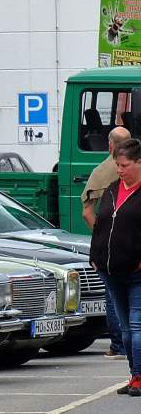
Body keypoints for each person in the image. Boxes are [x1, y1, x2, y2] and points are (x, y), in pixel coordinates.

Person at [90, 137, 141, 395]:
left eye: (124, 165)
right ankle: (134, 376)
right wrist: (95, 255)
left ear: (139, 163)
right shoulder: (112, 188)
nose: (120, 170)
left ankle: (140, 377)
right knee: (124, 328)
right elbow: (100, 224)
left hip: (136, 271)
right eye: (117, 165)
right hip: (111, 270)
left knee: (136, 325)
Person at [84, 127, 132, 360]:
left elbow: (87, 212)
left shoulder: (101, 172)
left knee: (115, 298)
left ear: (110, 145)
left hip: (112, 253)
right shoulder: (133, 169)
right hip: (132, 250)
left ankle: (119, 346)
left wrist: (104, 237)